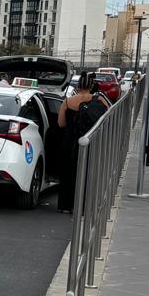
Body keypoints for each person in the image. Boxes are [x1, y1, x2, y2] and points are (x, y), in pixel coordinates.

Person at [56, 73, 109, 214]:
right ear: (92, 86)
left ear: (78, 86)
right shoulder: (100, 99)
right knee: (88, 172)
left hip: (70, 141)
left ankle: (66, 206)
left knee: (68, 173)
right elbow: (109, 116)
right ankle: (85, 206)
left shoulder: (68, 102)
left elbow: (61, 123)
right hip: (91, 140)